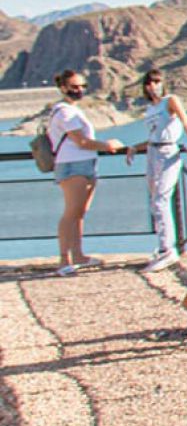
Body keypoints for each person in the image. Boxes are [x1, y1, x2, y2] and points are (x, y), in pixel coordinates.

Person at [47, 69, 129, 277]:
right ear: (63, 87)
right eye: (74, 87)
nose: (79, 90)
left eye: (82, 86)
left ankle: (79, 255)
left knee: (80, 212)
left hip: (85, 164)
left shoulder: (72, 110)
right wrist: (107, 145)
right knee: (71, 212)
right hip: (72, 165)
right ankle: (64, 259)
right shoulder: (65, 111)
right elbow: (81, 141)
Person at [130, 68, 187, 274]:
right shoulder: (151, 109)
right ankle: (163, 245)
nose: (153, 86)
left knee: (162, 199)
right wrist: (136, 147)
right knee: (155, 200)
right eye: (149, 83)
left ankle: (167, 249)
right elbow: (155, 136)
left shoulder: (170, 101)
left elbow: (185, 120)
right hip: (153, 153)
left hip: (167, 152)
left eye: (157, 82)